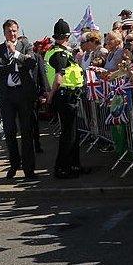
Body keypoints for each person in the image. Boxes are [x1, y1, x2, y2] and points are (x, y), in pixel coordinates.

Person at [0, 20, 43, 179]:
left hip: (23, 93)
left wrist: (15, 54)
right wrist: (14, 65)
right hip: (7, 96)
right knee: (10, 131)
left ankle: (29, 168)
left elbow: (31, 63)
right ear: (4, 33)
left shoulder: (26, 46)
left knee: (27, 132)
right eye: (9, 31)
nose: (12, 34)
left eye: (14, 31)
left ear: (17, 31)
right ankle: (14, 164)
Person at [46, 19, 85, 179]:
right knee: (69, 134)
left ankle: (73, 165)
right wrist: (50, 97)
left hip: (67, 95)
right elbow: (58, 77)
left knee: (73, 133)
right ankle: (63, 167)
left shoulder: (59, 51)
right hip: (65, 96)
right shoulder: (60, 53)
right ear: (67, 36)